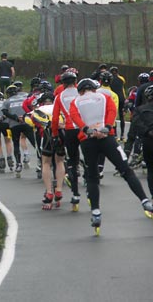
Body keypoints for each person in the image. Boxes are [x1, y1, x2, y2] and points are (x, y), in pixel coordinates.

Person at [68, 78, 153, 234]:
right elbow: (112, 111)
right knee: (126, 171)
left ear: (81, 90)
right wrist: (107, 127)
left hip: (88, 140)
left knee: (92, 177)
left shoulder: (76, 101)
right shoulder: (103, 97)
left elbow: (74, 117)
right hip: (107, 138)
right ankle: (145, 202)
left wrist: (87, 129)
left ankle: (96, 212)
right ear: (93, 88)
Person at [28, 92, 65, 210]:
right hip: (60, 134)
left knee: (46, 163)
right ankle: (58, 189)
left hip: (47, 136)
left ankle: (49, 192)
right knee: (59, 162)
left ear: (41, 102)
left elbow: (27, 118)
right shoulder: (59, 108)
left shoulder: (39, 109)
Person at [51, 70, 82, 211]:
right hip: (83, 128)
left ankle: (75, 193)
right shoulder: (81, 92)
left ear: (63, 83)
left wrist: (55, 135)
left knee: (72, 160)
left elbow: (55, 118)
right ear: (76, 82)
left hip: (70, 129)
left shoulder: (60, 96)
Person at [130, 85, 153, 206]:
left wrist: (150, 132)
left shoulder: (140, 109)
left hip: (149, 140)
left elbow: (137, 124)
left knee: (151, 169)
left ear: (146, 97)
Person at [2, 84, 36, 176]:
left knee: (16, 144)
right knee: (34, 143)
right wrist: (25, 117)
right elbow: (30, 108)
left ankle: (18, 164)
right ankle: (42, 161)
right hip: (26, 123)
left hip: (14, 125)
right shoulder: (24, 99)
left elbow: (5, 113)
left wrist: (16, 118)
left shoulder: (7, 101)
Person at [109, 66, 127, 140]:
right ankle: (122, 135)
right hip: (122, 97)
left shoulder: (110, 79)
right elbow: (122, 88)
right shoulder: (121, 78)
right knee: (122, 116)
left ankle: (115, 134)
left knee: (114, 116)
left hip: (114, 98)